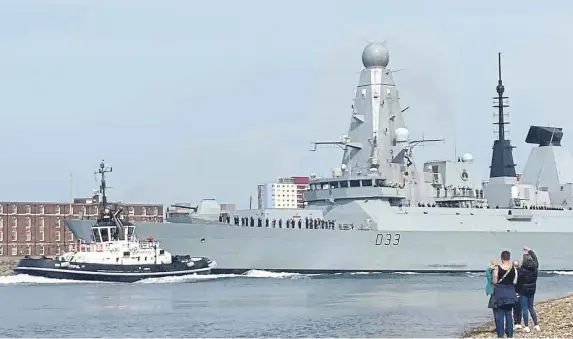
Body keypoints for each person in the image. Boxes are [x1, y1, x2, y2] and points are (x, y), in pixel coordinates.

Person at [492, 250, 519, 338]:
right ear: (509, 258)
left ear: (501, 258)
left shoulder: (497, 268)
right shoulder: (513, 268)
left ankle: (500, 335)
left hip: (500, 293)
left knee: (499, 316)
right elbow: (515, 281)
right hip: (510, 293)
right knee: (509, 314)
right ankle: (510, 335)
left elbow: (494, 281)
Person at [516, 245, 540, 333]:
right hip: (532, 289)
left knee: (524, 308)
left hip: (523, 290)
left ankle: (526, 326)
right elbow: (536, 259)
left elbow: (517, 280)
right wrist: (529, 250)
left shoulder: (521, 270)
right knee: (531, 308)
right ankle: (536, 324)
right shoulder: (535, 268)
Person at [511, 260, 522, 329]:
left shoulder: (512, 272)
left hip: (514, 291)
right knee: (519, 308)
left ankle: (516, 322)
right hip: (521, 291)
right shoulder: (522, 272)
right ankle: (519, 322)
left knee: (515, 308)